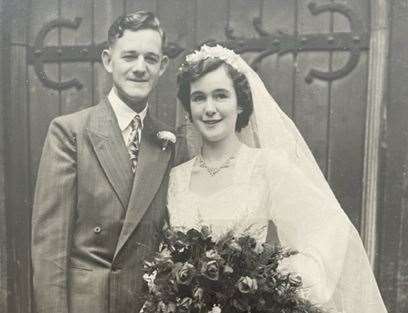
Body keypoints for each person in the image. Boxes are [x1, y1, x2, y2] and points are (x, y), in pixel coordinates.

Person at [167, 44, 388, 313]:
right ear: (189, 108)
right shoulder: (176, 178)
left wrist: (272, 284)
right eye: (199, 98)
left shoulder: (267, 167)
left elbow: (329, 229)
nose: (209, 108)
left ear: (240, 105)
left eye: (221, 96)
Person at [31, 11, 178, 313]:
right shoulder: (71, 132)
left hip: (147, 305)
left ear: (162, 66)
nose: (140, 68)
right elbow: (50, 251)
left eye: (150, 58)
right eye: (129, 56)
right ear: (109, 60)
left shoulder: (167, 142)